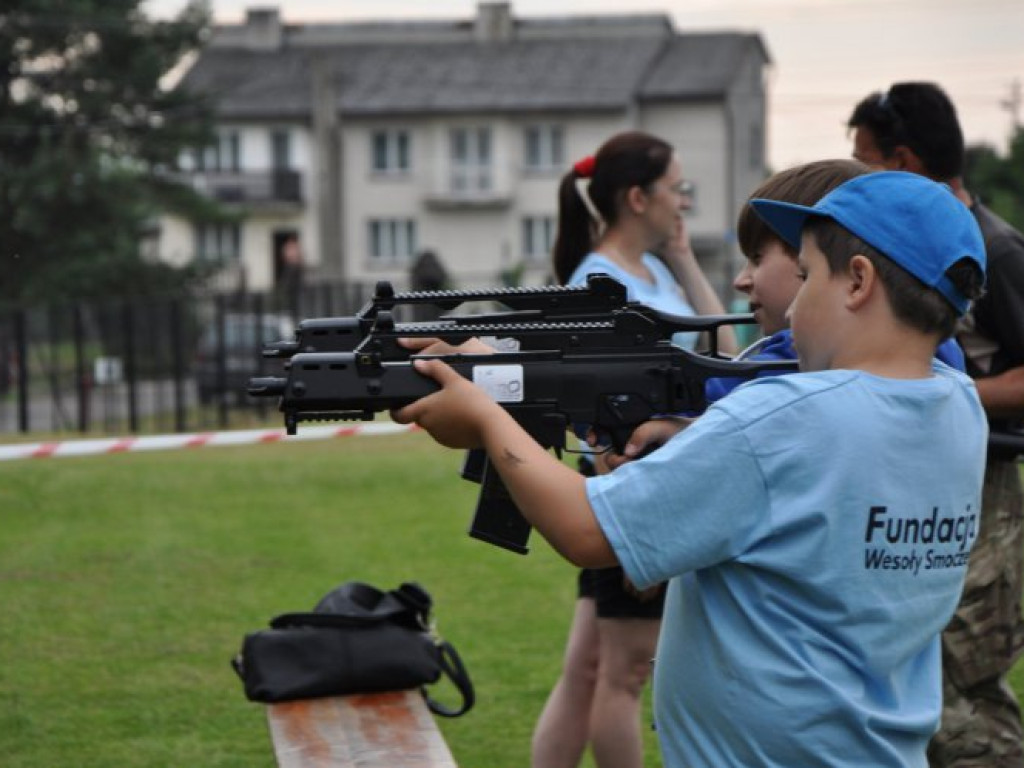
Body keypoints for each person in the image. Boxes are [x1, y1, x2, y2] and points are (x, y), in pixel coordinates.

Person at [392, 170, 988, 766]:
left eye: (805, 276)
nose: (794, 298)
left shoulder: (783, 419)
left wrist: (488, 417)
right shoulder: (958, 405)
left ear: (858, 281)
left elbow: (586, 529)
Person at [532, 130, 735, 768]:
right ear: (637, 197)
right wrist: (629, 516)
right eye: (677, 189)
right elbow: (593, 407)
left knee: (591, 669)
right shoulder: (600, 282)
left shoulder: (648, 276)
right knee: (623, 677)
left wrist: (684, 259)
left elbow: (725, 358)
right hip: (639, 485)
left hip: (650, 481)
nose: (685, 202)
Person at [848, 82, 1024, 767]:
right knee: (925, 690)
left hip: (988, 500)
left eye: (864, 164)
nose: (857, 181)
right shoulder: (904, 253)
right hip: (922, 490)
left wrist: (944, 393)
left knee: (958, 694)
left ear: (904, 161)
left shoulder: (996, 251)